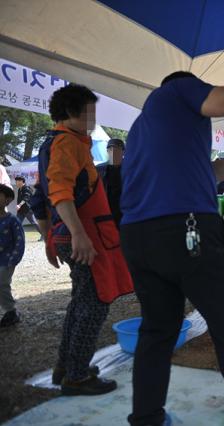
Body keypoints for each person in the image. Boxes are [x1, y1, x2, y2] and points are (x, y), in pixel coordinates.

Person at [119, 57, 224, 426]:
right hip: (186, 230)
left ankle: (147, 417)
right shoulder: (176, 91)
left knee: (157, 330)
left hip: (140, 238)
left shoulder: (143, 130)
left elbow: (211, 171)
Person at [31, 84, 133, 396]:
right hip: (83, 235)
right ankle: (76, 376)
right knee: (94, 304)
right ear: (73, 113)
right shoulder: (66, 144)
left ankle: (67, 366)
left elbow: (40, 199)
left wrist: (52, 237)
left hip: (74, 233)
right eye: (89, 111)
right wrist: (77, 235)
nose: (93, 118)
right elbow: (59, 192)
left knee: (81, 303)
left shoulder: (61, 142)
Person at [0, 184, 24, 327]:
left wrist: (13, 259)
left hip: (6, 260)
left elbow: (19, 241)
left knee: (2, 283)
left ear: (8, 200)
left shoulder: (12, 220)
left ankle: (11, 312)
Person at [96, 138, 125, 227]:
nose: (113, 151)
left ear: (123, 152)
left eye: (116, 149)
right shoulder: (98, 169)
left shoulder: (131, 169)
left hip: (123, 213)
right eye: (110, 149)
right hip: (104, 211)